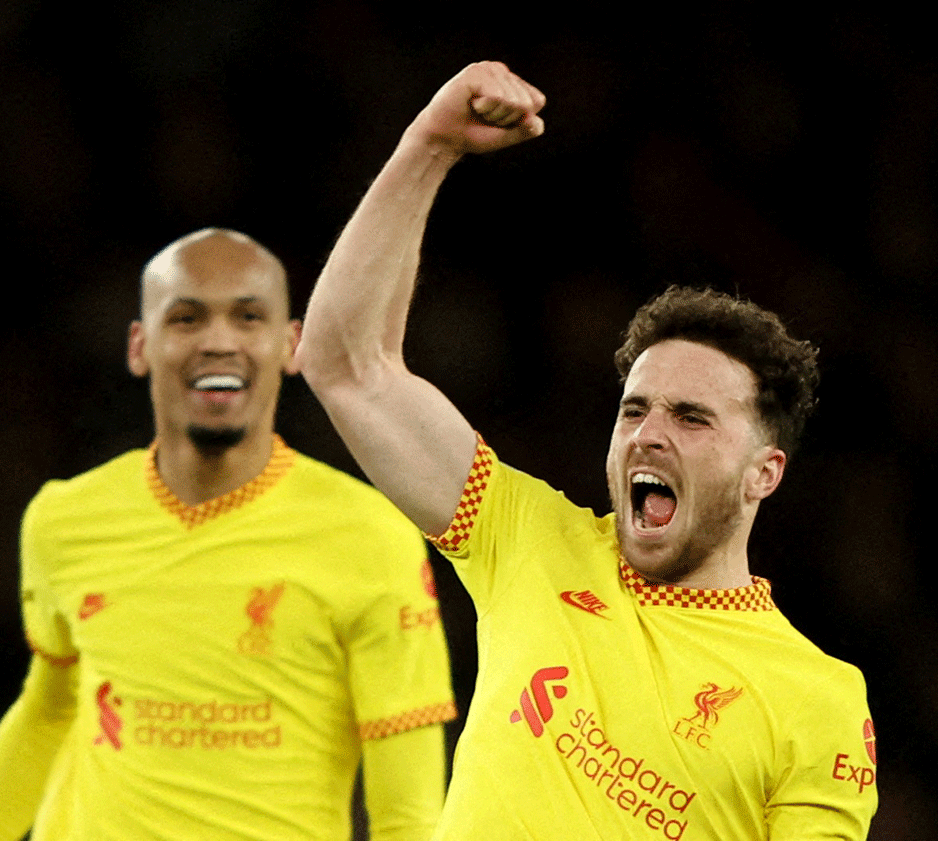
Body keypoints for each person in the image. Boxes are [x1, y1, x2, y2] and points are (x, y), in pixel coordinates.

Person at [297, 61, 878, 839]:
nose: (649, 432)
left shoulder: (819, 697)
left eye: (692, 417)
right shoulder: (526, 538)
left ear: (762, 473)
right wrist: (429, 144)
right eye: (634, 408)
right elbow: (344, 362)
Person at [0, 228, 456, 840]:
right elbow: (48, 707)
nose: (219, 341)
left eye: (248, 318)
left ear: (291, 345)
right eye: (186, 319)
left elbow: (409, 813)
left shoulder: (371, 536)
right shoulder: (63, 519)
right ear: (140, 345)